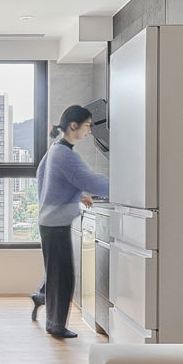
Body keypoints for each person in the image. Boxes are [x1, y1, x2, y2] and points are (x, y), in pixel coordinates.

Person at [31, 104, 109, 338]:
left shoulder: (56, 148)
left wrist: (76, 193)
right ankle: (55, 326)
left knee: (56, 270)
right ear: (74, 126)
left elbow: (46, 176)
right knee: (63, 277)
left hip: (49, 221)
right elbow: (90, 180)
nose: (89, 130)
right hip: (56, 224)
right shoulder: (65, 154)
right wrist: (126, 187)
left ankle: (42, 296)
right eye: (87, 126)